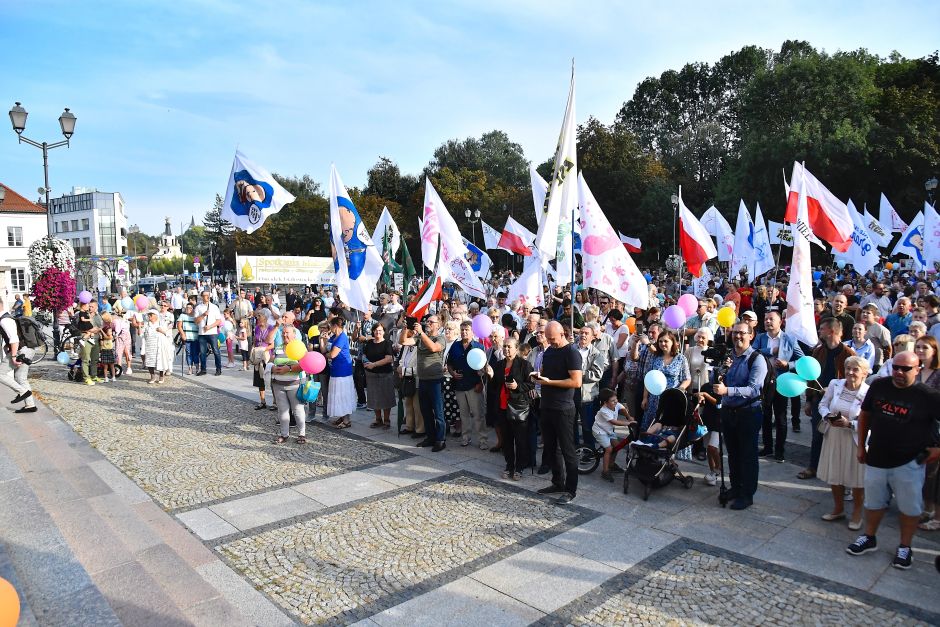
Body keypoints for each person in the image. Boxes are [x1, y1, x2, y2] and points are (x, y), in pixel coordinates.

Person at [847, 351, 940, 570]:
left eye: (906, 369)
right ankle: (869, 537)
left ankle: (905, 547)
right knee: (874, 502)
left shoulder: (928, 395)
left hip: (909, 462)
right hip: (877, 457)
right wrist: (861, 446)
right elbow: (865, 414)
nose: (899, 372)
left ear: (917, 370)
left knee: (909, 508)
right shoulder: (880, 386)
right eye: (896, 367)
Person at [712, 321, 767, 510]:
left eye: (742, 333)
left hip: (748, 412)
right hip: (729, 412)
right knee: (733, 453)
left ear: (751, 335)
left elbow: (753, 389)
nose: (737, 336)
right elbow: (719, 381)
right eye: (735, 333)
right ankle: (736, 487)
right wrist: (720, 373)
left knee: (748, 455)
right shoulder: (730, 356)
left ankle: (747, 494)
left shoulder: (756, 359)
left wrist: (727, 390)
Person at [798, 319, 855, 481]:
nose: (819, 331)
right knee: (817, 435)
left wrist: (833, 390)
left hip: (840, 403)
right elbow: (810, 376)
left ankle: (839, 471)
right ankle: (813, 467)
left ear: (831, 332)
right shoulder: (818, 351)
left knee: (839, 437)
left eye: (822, 329)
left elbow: (854, 382)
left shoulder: (848, 354)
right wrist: (809, 400)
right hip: (819, 401)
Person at [817, 356, 870, 530]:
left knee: (856, 477)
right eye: (848, 368)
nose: (850, 372)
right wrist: (828, 416)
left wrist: (851, 424)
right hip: (834, 435)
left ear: (864, 373)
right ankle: (838, 508)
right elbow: (822, 404)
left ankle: (857, 513)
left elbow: (872, 421)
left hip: (855, 438)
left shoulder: (869, 392)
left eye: (855, 369)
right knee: (835, 472)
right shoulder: (835, 384)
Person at [535, 320, 583, 504]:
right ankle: (557, 482)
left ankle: (571, 490)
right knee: (550, 448)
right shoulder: (548, 351)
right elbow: (547, 372)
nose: (550, 342)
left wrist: (549, 382)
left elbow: (576, 382)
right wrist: (538, 377)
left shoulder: (571, 352)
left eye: (552, 339)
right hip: (547, 405)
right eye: (547, 338)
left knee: (567, 450)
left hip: (563, 408)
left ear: (562, 334)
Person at [753, 310, 804, 462]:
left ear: (780, 322)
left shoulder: (789, 339)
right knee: (765, 417)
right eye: (766, 319)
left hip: (782, 382)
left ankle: (779, 451)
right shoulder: (761, 337)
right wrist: (770, 351)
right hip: (764, 383)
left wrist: (788, 364)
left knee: (781, 418)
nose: (768, 322)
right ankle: (767, 447)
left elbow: (802, 360)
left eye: (771, 319)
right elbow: (753, 353)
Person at [485, 337, 533, 480]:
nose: (506, 349)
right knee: (506, 440)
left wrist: (518, 387)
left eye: (509, 347)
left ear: (516, 348)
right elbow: (494, 387)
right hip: (502, 406)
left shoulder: (524, 365)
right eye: (504, 346)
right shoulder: (499, 364)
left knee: (520, 440)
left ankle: (519, 467)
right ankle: (509, 465)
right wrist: (491, 376)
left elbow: (530, 385)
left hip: (518, 407)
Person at [640, 330, 691, 430]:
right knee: (650, 426)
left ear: (673, 342)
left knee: (666, 428)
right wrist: (645, 397)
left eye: (666, 341)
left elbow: (687, 379)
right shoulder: (654, 357)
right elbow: (648, 377)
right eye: (660, 341)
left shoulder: (681, 358)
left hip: (670, 399)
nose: (663, 344)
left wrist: (680, 389)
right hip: (654, 399)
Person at [448, 321, 488, 449]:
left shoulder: (479, 347)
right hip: (459, 385)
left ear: (472, 331)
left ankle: (482, 440)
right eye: (462, 330)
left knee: (478, 415)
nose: (464, 332)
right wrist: (452, 373)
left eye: (467, 330)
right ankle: (465, 438)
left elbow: (485, 368)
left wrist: (481, 383)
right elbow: (449, 364)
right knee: (463, 414)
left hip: (474, 385)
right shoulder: (455, 346)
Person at [411, 315, 447, 452]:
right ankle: (430, 437)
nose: (428, 323)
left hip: (435, 380)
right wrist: (405, 329)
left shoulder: (441, 338)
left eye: (431, 322)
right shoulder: (421, 337)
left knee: (438, 412)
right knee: (425, 411)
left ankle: (440, 439)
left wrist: (421, 333)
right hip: (423, 380)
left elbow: (433, 348)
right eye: (427, 321)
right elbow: (405, 341)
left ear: (438, 325)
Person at [271, 325, 307, 444]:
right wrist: (272, 368)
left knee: (298, 410)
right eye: (283, 333)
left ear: (294, 334)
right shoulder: (278, 348)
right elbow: (271, 362)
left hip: (294, 384)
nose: (284, 335)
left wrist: (289, 368)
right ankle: (284, 434)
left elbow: (305, 365)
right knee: (283, 411)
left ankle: (302, 434)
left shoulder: (299, 347)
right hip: (278, 385)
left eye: (287, 333)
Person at [0, 299, 36, 413]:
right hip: (26, 348)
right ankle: (30, 405)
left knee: (0, 373)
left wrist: (14, 356)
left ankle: (22, 392)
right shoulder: (7, 317)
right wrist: (7, 347)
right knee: (21, 377)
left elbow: (14, 339)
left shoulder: (4, 320)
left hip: (21, 350)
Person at [593, 388, 635, 481]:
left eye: (616, 399)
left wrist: (628, 417)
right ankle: (605, 471)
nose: (615, 402)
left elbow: (623, 408)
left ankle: (611, 464)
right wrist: (628, 423)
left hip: (609, 430)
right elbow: (614, 422)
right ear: (605, 402)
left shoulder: (616, 405)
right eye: (612, 401)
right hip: (600, 431)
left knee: (617, 446)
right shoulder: (604, 411)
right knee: (609, 449)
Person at [324, 317, 356, 428]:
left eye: (330, 326)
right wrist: (322, 341)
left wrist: (325, 355)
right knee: (337, 394)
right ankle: (342, 417)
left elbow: (332, 354)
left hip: (342, 370)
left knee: (343, 394)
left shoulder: (342, 337)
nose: (329, 328)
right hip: (335, 369)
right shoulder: (333, 337)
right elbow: (325, 350)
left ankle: (347, 420)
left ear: (335, 326)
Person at [363, 323, 396, 429]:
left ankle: (387, 420)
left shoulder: (387, 343)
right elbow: (364, 355)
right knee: (374, 398)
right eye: (376, 330)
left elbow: (389, 358)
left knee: (386, 398)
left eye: (380, 330)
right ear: (373, 331)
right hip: (371, 375)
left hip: (385, 374)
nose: (378, 332)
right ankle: (378, 419)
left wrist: (374, 364)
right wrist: (366, 362)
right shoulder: (369, 343)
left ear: (384, 332)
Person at [194, 290, 223, 376]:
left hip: (212, 332)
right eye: (205, 295)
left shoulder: (214, 307)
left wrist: (210, 327)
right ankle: (203, 369)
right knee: (202, 352)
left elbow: (218, 321)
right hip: (202, 333)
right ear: (202, 296)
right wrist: (203, 315)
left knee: (216, 351)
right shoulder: (198, 307)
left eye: (208, 295)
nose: (207, 297)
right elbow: (196, 321)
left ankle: (218, 369)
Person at [142, 309, 172, 383]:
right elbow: (142, 334)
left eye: (151, 315)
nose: (149, 316)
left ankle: (161, 376)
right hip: (149, 345)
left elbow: (168, 335)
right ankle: (152, 376)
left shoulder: (161, 324)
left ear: (155, 316)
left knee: (160, 360)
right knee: (150, 361)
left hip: (159, 345)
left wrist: (162, 331)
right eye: (149, 315)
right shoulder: (147, 324)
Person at [176, 303, 200, 375]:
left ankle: (197, 367)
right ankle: (190, 368)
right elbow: (179, 326)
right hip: (187, 337)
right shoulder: (182, 316)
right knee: (188, 353)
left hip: (195, 337)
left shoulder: (196, 317)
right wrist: (182, 334)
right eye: (187, 308)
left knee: (195, 353)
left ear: (193, 309)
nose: (188, 309)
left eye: (190, 308)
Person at [98, 313, 117, 382]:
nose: (111, 332)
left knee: (112, 365)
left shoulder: (110, 337)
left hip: (110, 351)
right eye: (110, 331)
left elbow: (107, 337)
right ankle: (106, 377)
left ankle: (113, 376)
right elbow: (101, 344)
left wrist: (101, 331)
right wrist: (100, 338)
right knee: (105, 366)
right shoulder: (103, 338)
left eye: (111, 331)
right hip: (104, 351)